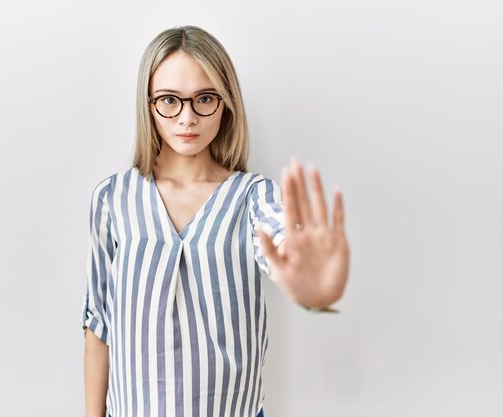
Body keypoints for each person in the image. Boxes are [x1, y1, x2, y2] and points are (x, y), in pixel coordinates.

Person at [80, 25, 350, 417]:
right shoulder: (113, 198)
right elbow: (98, 324)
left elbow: (288, 251)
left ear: (225, 104)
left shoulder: (255, 196)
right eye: (170, 100)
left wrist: (314, 281)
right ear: (148, 103)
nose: (187, 117)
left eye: (204, 98)